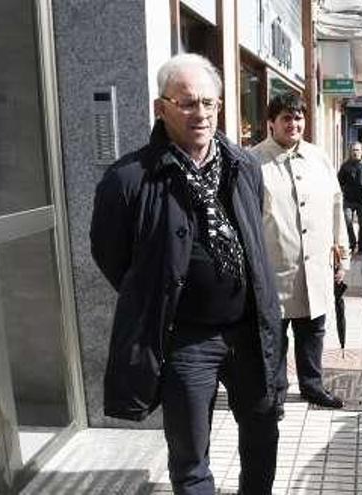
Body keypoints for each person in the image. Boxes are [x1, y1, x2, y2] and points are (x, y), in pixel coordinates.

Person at [90, 53, 282, 495]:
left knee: (262, 437)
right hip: (186, 340)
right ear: (162, 108)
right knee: (190, 454)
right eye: (188, 103)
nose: (201, 114)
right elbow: (112, 258)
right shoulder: (128, 178)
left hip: (250, 332)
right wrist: (161, 291)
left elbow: (255, 240)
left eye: (210, 104)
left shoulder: (243, 165)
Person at [250, 93, 349, 410]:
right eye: (286, 118)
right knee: (274, 338)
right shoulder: (253, 162)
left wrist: (342, 256)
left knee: (313, 332)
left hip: (315, 267)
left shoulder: (319, 158)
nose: (294, 124)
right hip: (274, 269)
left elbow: (336, 207)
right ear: (271, 123)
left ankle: (312, 386)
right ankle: (275, 393)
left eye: (298, 118)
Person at [337, 141, 362, 254]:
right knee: (348, 222)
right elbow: (338, 182)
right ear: (350, 152)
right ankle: (352, 243)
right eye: (353, 150)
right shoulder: (345, 166)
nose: (355, 153)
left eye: (357, 150)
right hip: (348, 200)